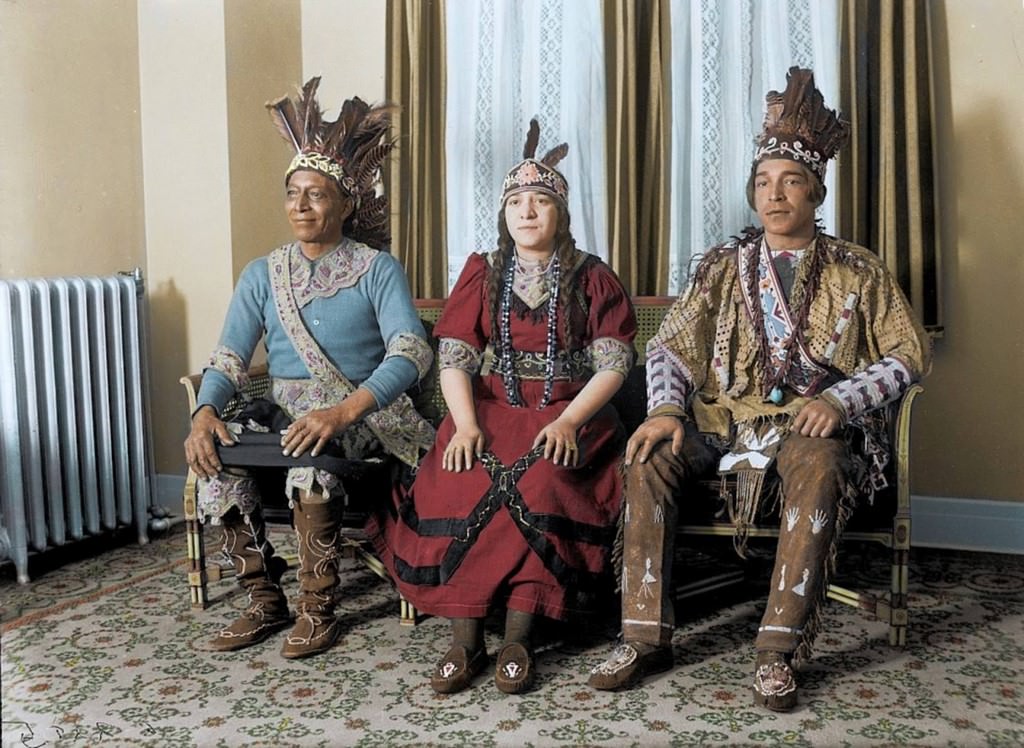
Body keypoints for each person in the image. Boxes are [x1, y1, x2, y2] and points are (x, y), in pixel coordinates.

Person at [586, 67, 931, 711]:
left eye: (791, 181)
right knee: (649, 456)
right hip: (720, 421)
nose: (775, 195)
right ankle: (643, 636)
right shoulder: (722, 268)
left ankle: (778, 649)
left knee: (824, 462)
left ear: (817, 192)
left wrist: (839, 400)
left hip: (808, 425)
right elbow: (669, 347)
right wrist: (664, 409)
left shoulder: (858, 269)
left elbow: (909, 355)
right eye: (764, 183)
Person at [368, 120, 637, 694]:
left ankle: (520, 632)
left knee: (541, 483)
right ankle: (465, 640)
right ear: (503, 213)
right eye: (517, 201)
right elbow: (456, 359)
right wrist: (463, 425)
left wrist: (568, 419)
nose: (528, 212)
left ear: (561, 213)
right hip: (490, 410)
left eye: (541, 201)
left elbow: (613, 363)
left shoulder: (592, 277)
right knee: (458, 477)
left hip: (571, 413)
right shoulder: (483, 274)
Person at [183, 78, 434, 659]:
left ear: (345, 203)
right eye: (293, 192)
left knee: (308, 471)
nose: (300, 205)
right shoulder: (260, 274)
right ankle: (263, 601)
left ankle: (318, 610)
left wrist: (345, 410)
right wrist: (204, 412)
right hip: (281, 414)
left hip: (362, 417)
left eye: (316, 194)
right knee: (216, 463)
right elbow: (227, 359)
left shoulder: (376, 269)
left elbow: (412, 352)